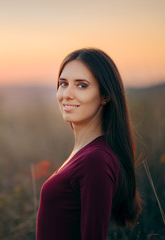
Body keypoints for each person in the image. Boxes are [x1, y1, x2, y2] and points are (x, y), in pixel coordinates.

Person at [36, 48, 142, 240]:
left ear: (105, 96)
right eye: (63, 83)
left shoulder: (96, 160)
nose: (67, 94)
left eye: (82, 85)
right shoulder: (84, 152)